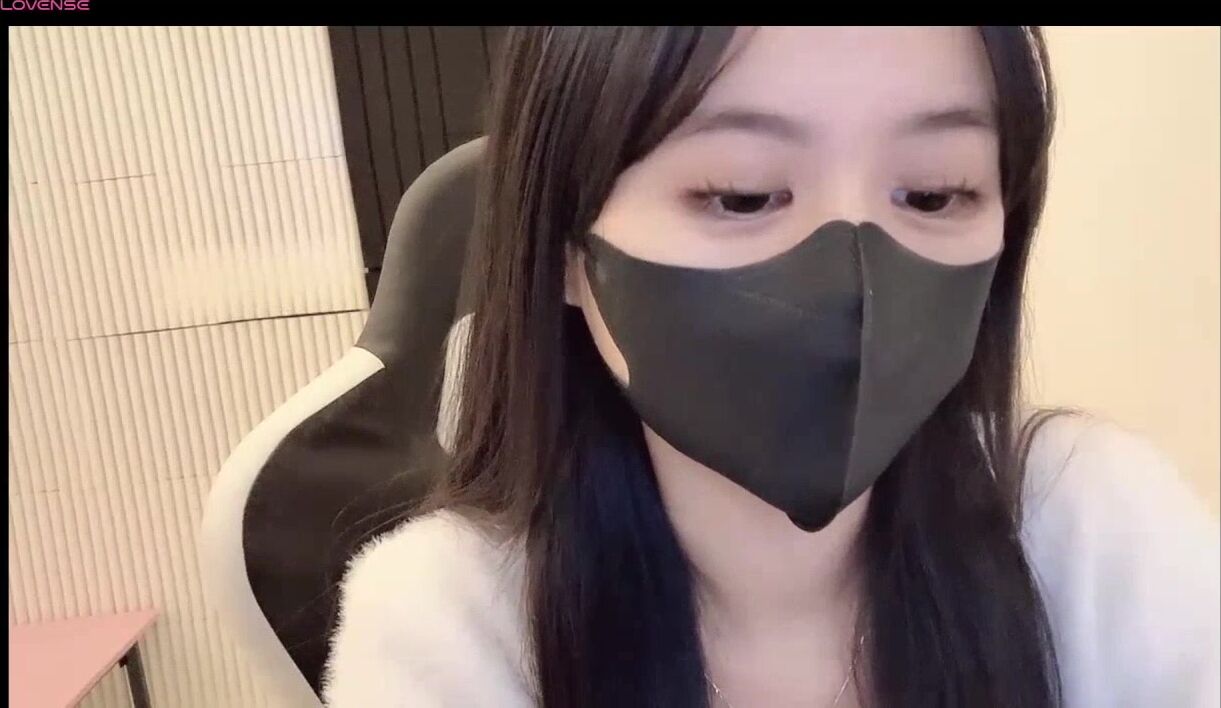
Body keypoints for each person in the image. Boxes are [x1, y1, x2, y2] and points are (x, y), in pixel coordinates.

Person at [321, 26, 1220, 707]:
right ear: (564, 243)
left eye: (933, 192)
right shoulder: (449, 631)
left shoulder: (1093, 536)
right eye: (743, 195)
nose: (854, 277)